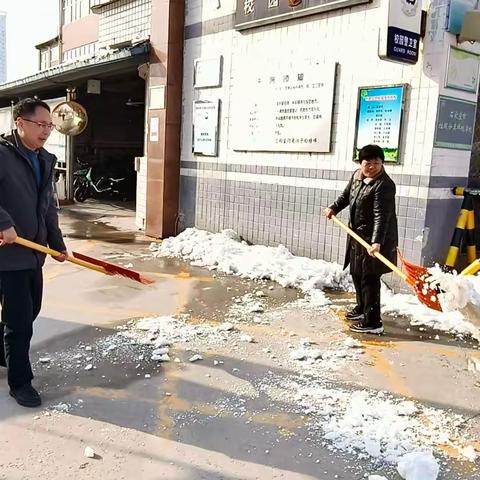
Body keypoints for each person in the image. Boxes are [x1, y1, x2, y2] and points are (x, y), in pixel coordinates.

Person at [0, 98, 67, 407]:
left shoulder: (45, 160)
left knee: (32, 309)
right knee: (20, 322)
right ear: (20, 123)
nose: (46, 131)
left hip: (33, 253)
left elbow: (47, 207)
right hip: (7, 253)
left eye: (49, 126)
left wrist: (57, 243)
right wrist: (4, 223)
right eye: (40, 125)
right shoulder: (2, 154)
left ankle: (4, 353)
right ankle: (20, 382)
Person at [324, 144, 398, 334]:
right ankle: (362, 308)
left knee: (369, 278)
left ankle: (373, 322)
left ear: (382, 163)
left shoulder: (385, 185)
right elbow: (347, 196)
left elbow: (382, 216)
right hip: (357, 236)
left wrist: (376, 242)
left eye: (377, 162)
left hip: (374, 240)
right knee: (357, 273)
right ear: (360, 163)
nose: (372, 166)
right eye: (368, 162)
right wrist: (334, 207)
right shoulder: (357, 176)